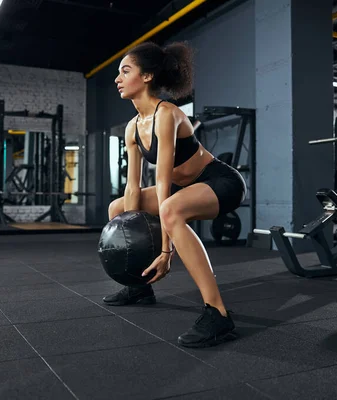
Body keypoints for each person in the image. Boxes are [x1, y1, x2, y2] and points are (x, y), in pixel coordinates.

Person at [103, 41, 247, 348]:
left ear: (147, 77)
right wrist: (132, 233)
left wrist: (165, 253)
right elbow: (133, 187)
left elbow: (163, 181)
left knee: (170, 210)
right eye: (118, 73)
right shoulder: (132, 128)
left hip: (220, 181)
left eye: (125, 71)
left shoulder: (166, 114)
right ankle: (138, 285)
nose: (117, 78)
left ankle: (218, 314)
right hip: (183, 188)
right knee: (118, 208)